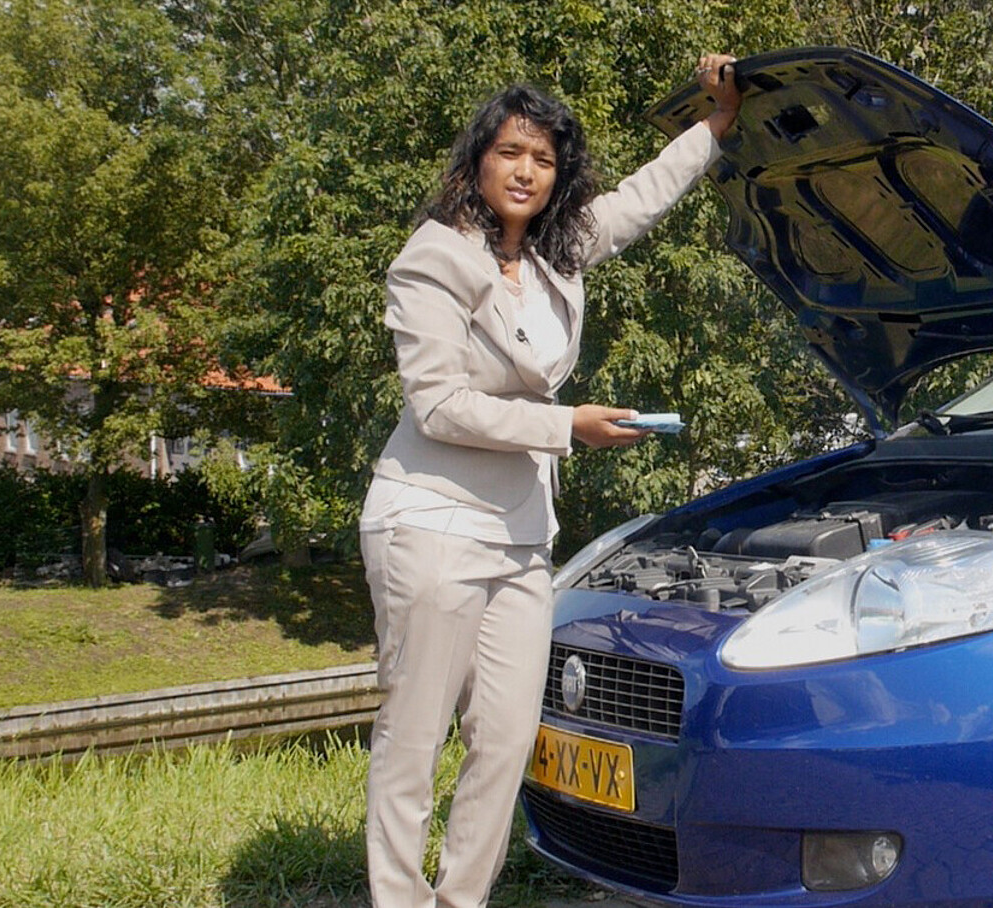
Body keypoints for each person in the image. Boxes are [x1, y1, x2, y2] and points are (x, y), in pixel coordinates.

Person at [359, 55, 740, 908]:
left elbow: (640, 199)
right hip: (429, 523)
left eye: (544, 158)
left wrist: (716, 127)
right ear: (477, 162)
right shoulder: (432, 259)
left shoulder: (558, 251)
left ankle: (461, 899)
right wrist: (567, 425)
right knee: (413, 738)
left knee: (505, 740)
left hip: (521, 537)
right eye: (510, 153)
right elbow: (439, 407)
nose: (527, 171)